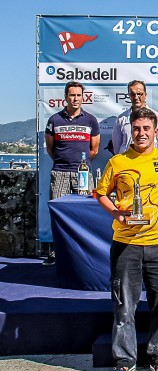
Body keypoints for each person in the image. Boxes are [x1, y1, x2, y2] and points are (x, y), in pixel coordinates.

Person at [96, 108, 158, 371]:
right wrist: (118, 214)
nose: (141, 133)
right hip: (126, 244)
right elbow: (101, 193)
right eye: (137, 129)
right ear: (131, 130)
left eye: (146, 128)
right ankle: (124, 360)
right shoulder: (118, 161)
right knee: (124, 306)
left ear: (156, 131)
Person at [44, 80, 100, 266]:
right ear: (66, 97)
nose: (75, 98)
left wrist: (79, 164)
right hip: (60, 172)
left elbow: (94, 149)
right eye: (72, 95)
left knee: (85, 213)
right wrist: (64, 162)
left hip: (83, 174)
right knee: (58, 214)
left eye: (78, 95)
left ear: (83, 98)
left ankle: (84, 253)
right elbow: (50, 148)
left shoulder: (91, 120)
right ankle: (57, 252)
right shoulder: (54, 120)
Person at [112, 80, 158, 154]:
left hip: (149, 159)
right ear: (129, 95)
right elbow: (117, 146)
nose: (136, 97)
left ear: (145, 95)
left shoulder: (157, 118)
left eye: (139, 94)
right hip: (126, 159)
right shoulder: (121, 119)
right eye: (132, 94)